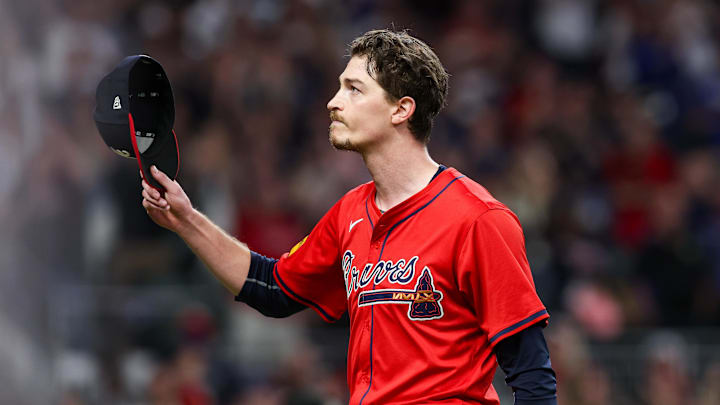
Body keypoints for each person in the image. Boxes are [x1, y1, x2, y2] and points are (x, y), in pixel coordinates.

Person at [141, 29, 557, 405]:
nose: (333, 102)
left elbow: (533, 376)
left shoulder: (478, 218)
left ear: (401, 109)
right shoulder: (350, 212)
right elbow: (273, 288)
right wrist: (185, 219)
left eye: (354, 89)